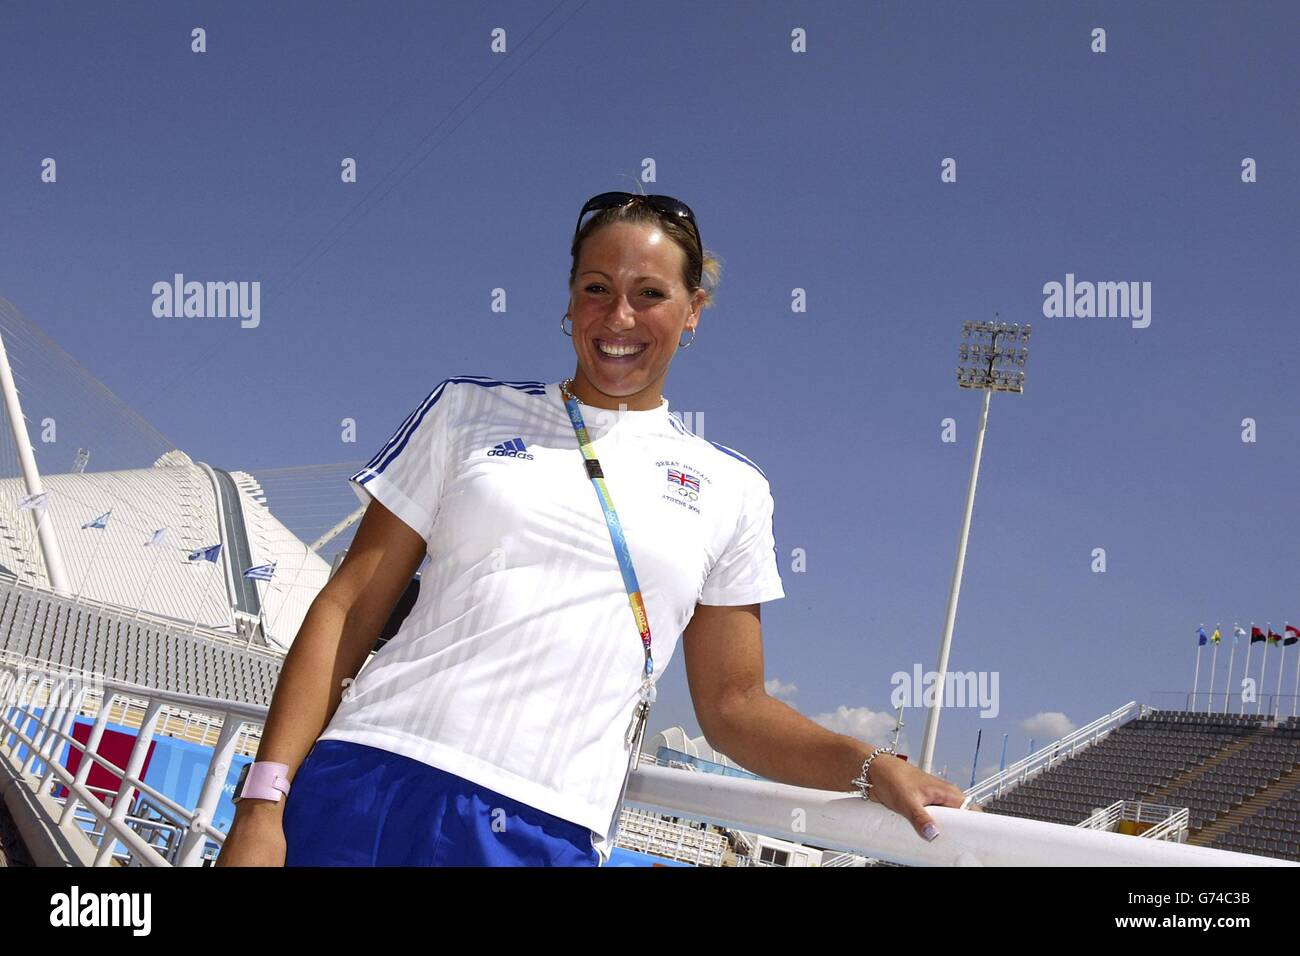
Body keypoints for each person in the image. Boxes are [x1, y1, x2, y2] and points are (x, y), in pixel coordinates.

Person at [216, 191, 971, 867]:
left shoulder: (734, 490)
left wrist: (869, 766)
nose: (619, 319)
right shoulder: (466, 412)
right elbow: (348, 607)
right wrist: (262, 801)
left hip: (546, 824)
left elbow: (734, 706)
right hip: (371, 774)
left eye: (650, 294)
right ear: (569, 299)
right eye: (596, 289)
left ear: (693, 309)